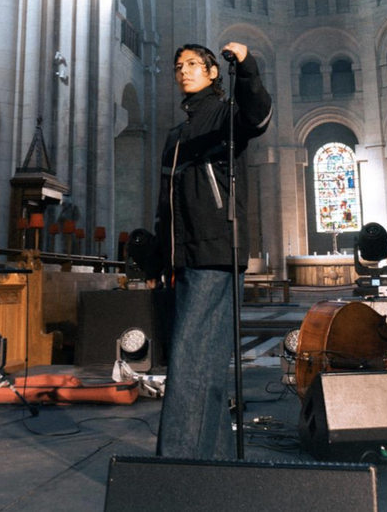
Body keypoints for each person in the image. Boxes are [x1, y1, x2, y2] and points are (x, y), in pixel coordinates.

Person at [153, 41, 272, 459]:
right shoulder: (176, 134)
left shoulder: (224, 115)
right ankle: (213, 459)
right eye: (178, 66)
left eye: (192, 64)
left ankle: (178, 465)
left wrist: (247, 66)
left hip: (216, 253)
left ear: (213, 72)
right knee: (201, 362)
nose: (183, 71)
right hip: (184, 258)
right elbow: (167, 204)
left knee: (191, 361)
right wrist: (161, 255)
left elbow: (257, 115)